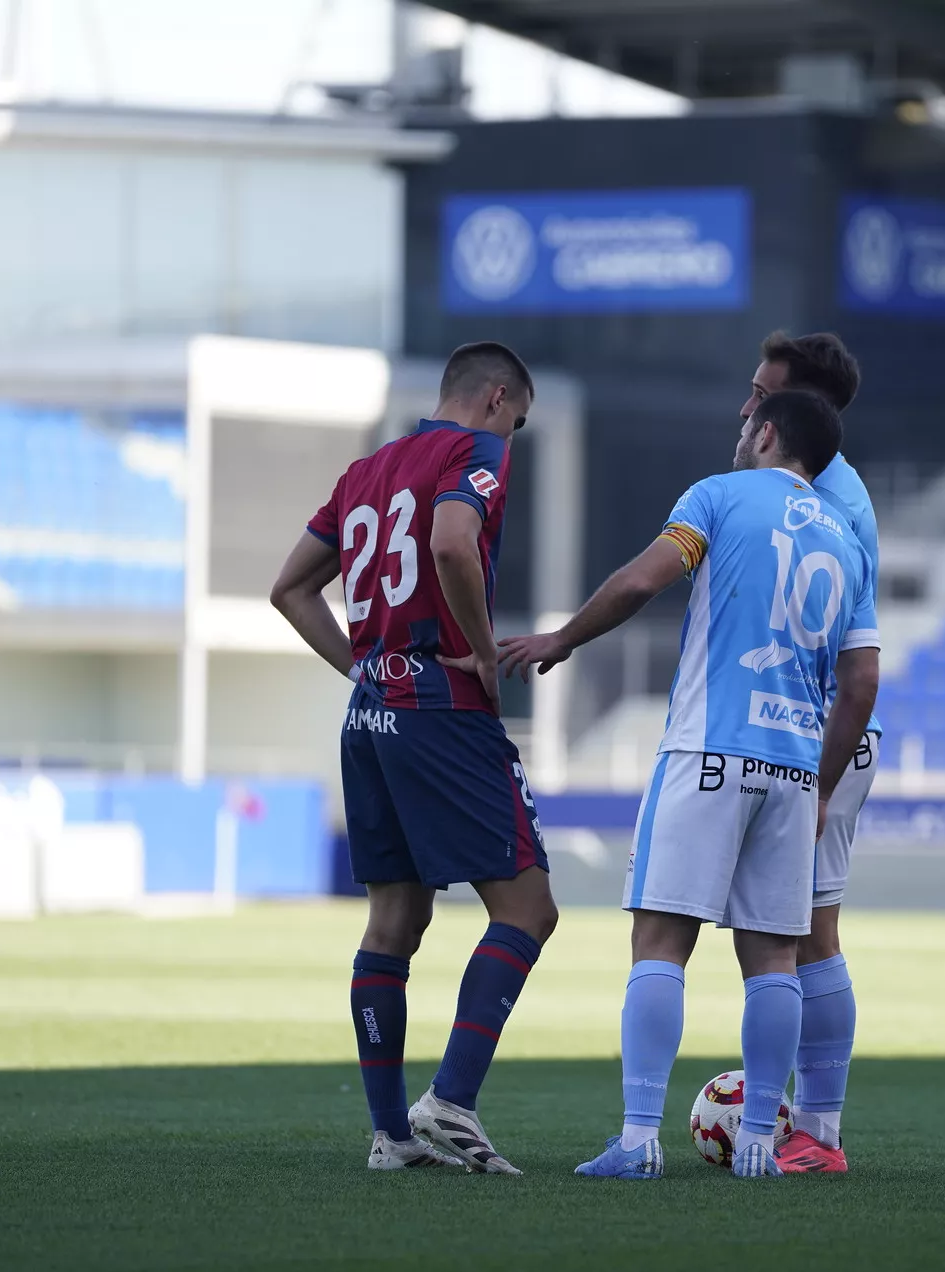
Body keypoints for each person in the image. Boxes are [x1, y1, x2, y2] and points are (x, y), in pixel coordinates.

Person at [500, 389, 881, 1181]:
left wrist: (563, 639)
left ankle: (639, 1139)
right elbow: (861, 681)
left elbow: (643, 581)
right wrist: (820, 786)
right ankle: (758, 1144)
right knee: (774, 956)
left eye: (748, 421)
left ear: (767, 433)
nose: (740, 430)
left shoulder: (718, 495)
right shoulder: (848, 541)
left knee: (661, 943)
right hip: (793, 766)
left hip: (709, 748)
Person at [269, 341, 558, 1175]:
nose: (512, 435)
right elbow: (452, 543)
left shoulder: (365, 471)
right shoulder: (477, 451)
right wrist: (481, 654)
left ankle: (389, 1135)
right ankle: (452, 1100)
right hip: (441, 705)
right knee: (528, 909)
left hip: (370, 712)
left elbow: (289, 590)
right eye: (518, 420)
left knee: (394, 922)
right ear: (497, 398)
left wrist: (365, 668)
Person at [740, 330, 876, 1175]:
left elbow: (854, 663)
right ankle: (806, 1123)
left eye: (762, 394)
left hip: (818, 735)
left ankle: (819, 1134)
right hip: (796, 731)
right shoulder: (818, 493)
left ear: (803, 407)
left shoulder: (831, 504)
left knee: (809, 933)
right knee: (791, 930)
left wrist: (821, 779)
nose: (747, 407)